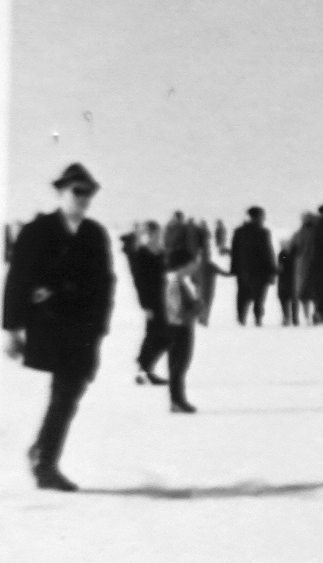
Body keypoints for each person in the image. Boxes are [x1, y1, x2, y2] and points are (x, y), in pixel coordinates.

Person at [3, 164, 116, 491]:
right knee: (66, 391)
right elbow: (18, 279)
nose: (83, 198)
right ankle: (45, 462)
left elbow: (105, 282)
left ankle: (43, 452)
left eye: (88, 192)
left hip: (84, 327)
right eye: (77, 191)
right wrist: (11, 328)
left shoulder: (94, 233)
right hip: (50, 324)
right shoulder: (37, 230)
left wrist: (100, 326)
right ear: (61, 192)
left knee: (69, 391)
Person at [121, 221, 172, 386]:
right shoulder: (142, 253)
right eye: (154, 233)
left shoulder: (160, 251)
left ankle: (144, 368)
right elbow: (139, 281)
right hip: (152, 300)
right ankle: (145, 369)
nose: (157, 236)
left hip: (164, 298)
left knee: (160, 335)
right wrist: (146, 305)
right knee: (158, 335)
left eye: (158, 233)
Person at [160, 239, 202, 414]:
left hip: (181, 327)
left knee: (179, 365)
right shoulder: (175, 284)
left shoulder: (179, 282)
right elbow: (177, 312)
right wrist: (196, 308)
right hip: (179, 329)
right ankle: (177, 400)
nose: (194, 266)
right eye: (192, 263)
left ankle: (178, 400)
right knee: (178, 366)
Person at [230, 206, 277, 326]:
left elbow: (234, 252)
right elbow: (267, 252)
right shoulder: (263, 232)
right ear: (258, 217)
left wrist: (234, 269)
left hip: (243, 270)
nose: (264, 218)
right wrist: (272, 270)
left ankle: (241, 319)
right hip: (260, 271)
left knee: (243, 295)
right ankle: (258, 319)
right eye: (262, 216)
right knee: (259, 297)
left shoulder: (239, 232)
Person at [287, 211, 319, 324]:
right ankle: (315, 314)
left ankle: (306, 315)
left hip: (301, 266)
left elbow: (290, 249)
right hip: (316, 266)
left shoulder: (298, 233)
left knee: (303, 293)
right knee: (315, 292)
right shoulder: (317, 233)